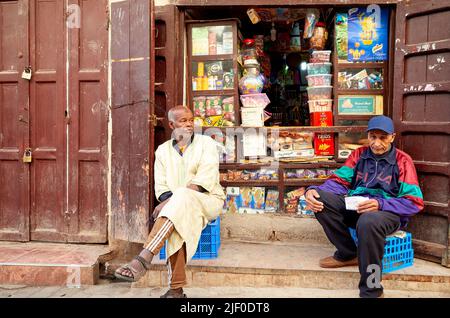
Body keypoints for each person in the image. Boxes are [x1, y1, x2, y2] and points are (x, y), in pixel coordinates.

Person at [305, 115, 424, 298]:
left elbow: (414, 202)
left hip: (386, 213)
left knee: (368, 221)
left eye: (383, 138)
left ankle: (372, 289)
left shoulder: (402, 161)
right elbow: (339, 182)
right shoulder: (359, 154)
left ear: (392, 137)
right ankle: (348, 253)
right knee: (320, 199)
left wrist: (380, 203)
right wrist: (312, 190)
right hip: (357, 207)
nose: (376, 143)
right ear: (367, 136)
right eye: (372, 137)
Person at [114, 105, 225, 298]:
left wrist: (171, 201)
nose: (189, 124)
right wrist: (170, 201)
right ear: (171, 124)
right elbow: (162, 187)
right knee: (175, 222)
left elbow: (205, 180)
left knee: (178, 202)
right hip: (177, 206)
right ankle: (175, 291)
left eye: (191, 120)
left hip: (207, 200)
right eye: (183, 121)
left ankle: (144, 258)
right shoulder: (163, 151)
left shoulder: (207, 144)